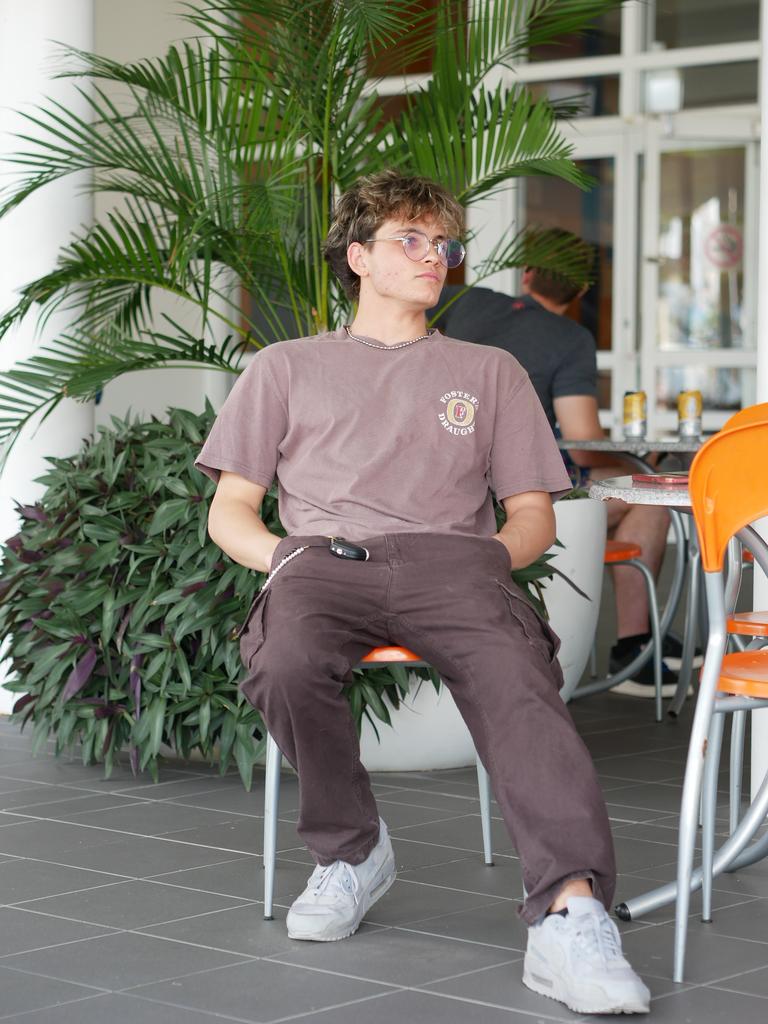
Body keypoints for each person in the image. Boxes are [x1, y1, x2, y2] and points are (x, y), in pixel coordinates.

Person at [196, 170, 650, 1016]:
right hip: (322, 559)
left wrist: (490, 559)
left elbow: (531, 517)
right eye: (413, 239)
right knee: (284, 659)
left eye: (445, 244)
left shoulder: (490, 371)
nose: (435, 256)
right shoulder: (285, 366)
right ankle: (350, 853)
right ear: (358, 256)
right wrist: (284, 559)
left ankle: (570, 911)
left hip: (456, 561)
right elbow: (230, 509)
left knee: (520, 680)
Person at [432, 258, 693, 698]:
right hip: (513, 506)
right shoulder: (570, 339)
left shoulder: (463, 299)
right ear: (580, 295)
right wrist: (641, 457)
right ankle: (633, 650)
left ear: (527, 274)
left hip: (438, 490)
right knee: (644, 490)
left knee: (628, 486)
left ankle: (636, 645)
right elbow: (582, 445)